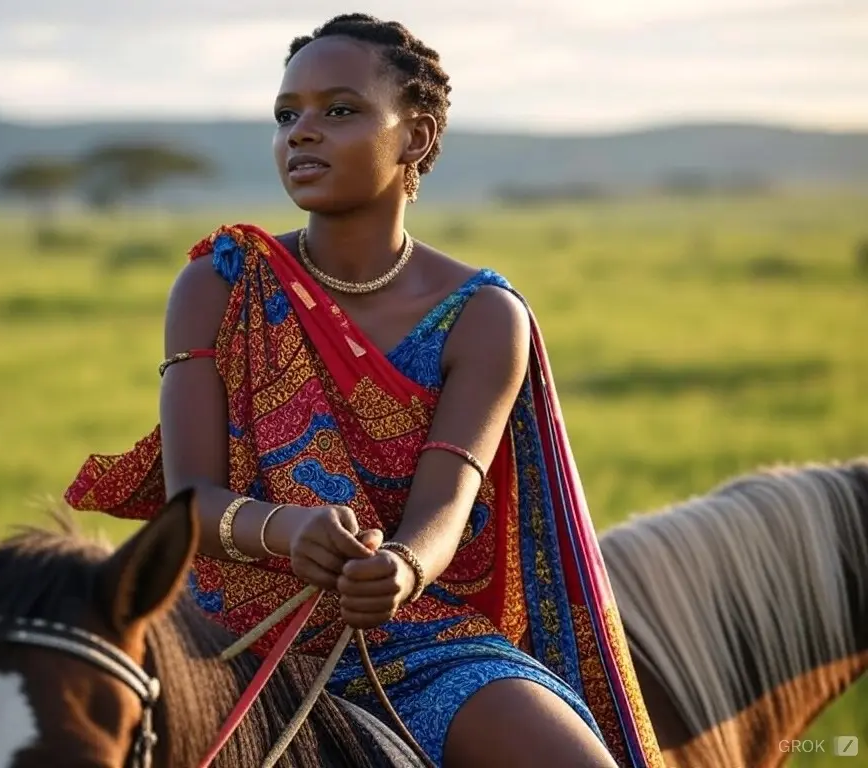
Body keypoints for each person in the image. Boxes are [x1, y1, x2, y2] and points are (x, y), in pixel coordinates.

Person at [65, 13, 662, 768]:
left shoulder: (482, 315)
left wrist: (403, 569)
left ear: (413, 137)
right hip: (220, 635)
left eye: (339, 110)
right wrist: (287, 531)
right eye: (288, 115)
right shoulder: (218, 282)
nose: (301, 133)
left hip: (415, 636)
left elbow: (448, 501)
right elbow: (189, 501)